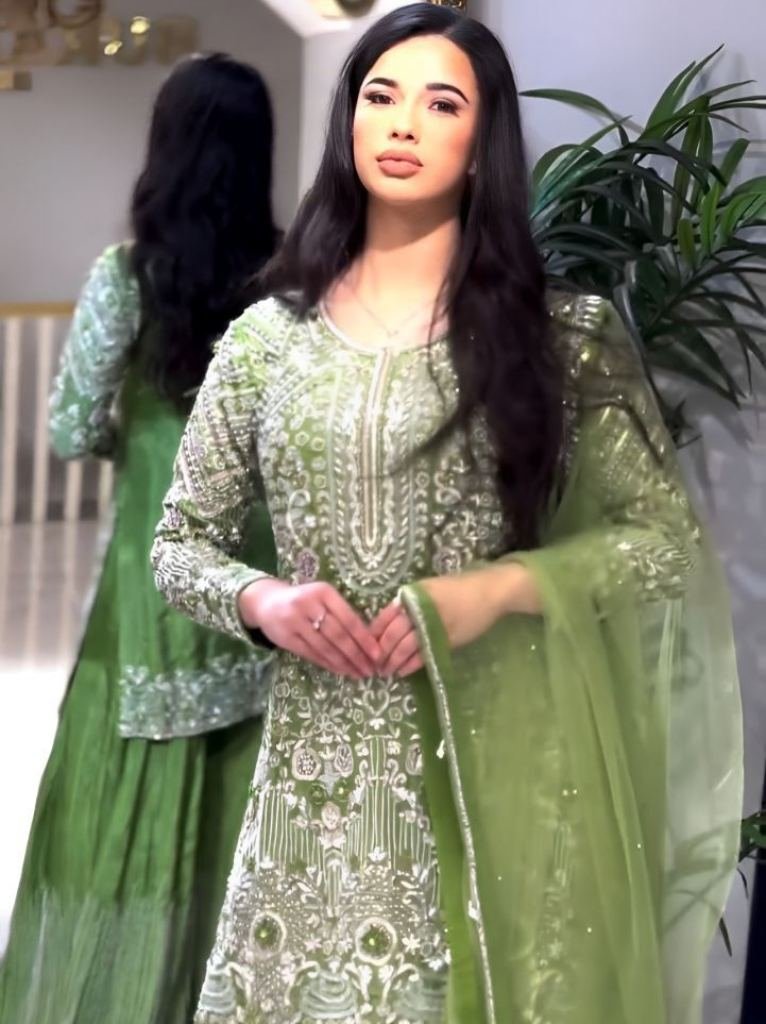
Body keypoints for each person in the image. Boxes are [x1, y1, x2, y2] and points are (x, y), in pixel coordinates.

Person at [152, 7, 743, 1023]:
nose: (402, 123)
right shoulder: (265, 342)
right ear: (348, 122)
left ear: (483, 143)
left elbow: (662, 545)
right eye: (380, 96)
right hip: (312, 790)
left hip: (492, 774)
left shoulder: (560, 337)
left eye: (441, 104)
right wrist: (263, 601)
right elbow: (178, 546)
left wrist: (500, 589)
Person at [0, 53, 279, 1024]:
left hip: (154, 568)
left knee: (128, 792)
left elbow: (70, 427)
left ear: (165, 148)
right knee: (247, 790)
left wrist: (143, 436)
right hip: (263, 576)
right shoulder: (294, 279)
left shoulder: (127, 276)